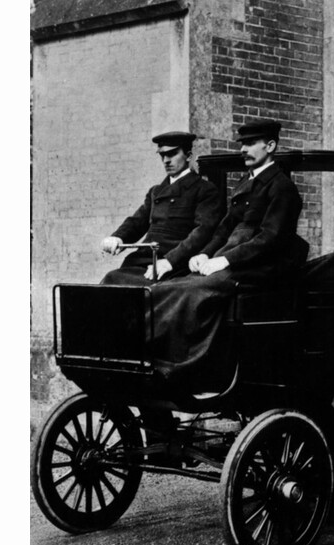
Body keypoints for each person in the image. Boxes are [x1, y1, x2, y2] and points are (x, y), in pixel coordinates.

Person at [143, 119, 305, 388]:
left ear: (270, 146)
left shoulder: (281, 187)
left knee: (193, 291)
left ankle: (188, 364)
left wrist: (224, 260)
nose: (244, 149)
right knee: (170, 286)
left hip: (260, 268)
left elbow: (270, 239)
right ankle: (157, 354)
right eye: (243, 144)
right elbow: (225, 228)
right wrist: (206, 254)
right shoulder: (247, 182)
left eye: (251, 143)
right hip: (234, 260)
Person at [100, 132, 221, 285]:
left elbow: (202, 232)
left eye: (172, 154)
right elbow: (138, 221)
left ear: (188, 156)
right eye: (162, 155)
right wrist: (118, 237)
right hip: (145, 259)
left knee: (128, 285)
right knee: (111, 281)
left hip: (176, 263)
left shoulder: (204, 189)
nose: (166, 160)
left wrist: (170, 260)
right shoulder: (156, 191)